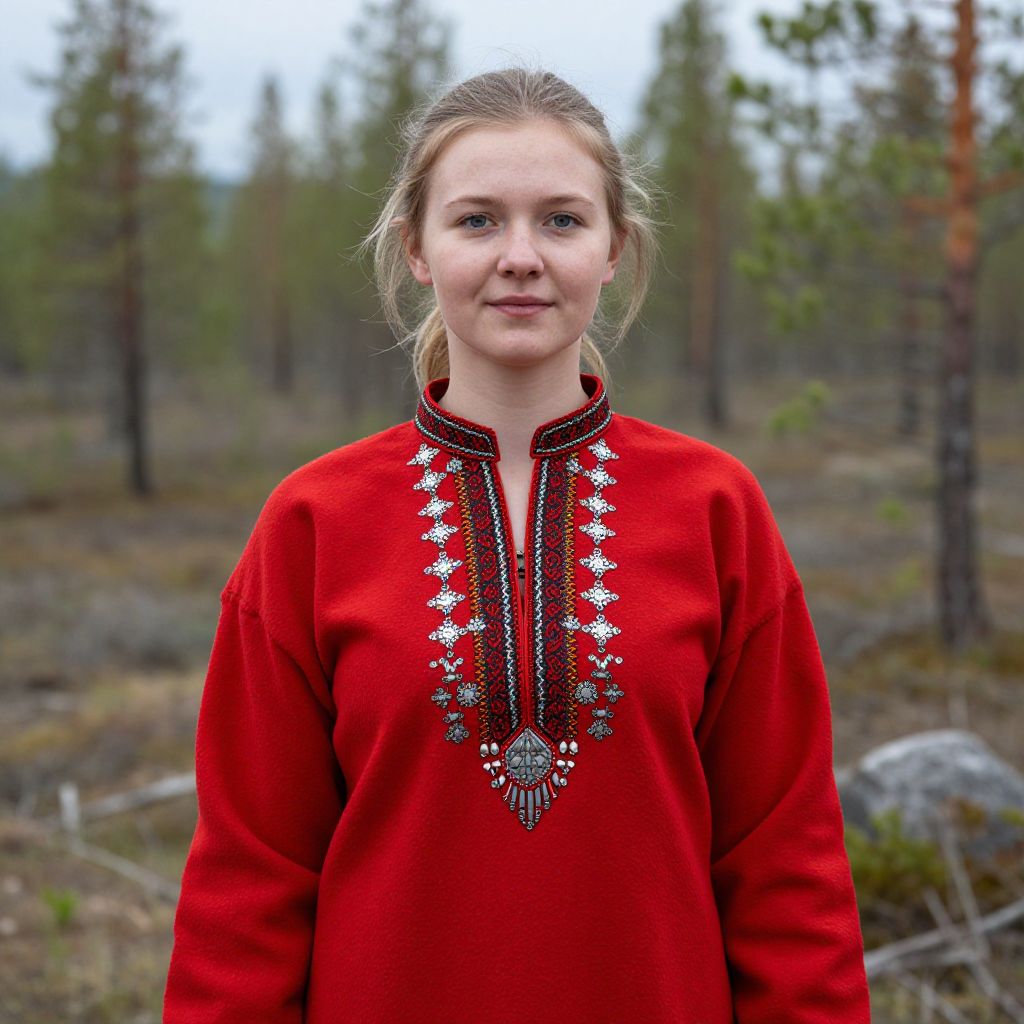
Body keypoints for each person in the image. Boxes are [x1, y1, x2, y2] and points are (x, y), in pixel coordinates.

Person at [163, 67, 871, 1023]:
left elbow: (787, 861)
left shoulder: (715, 510)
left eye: (564, 221)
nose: (522, 257)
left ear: (615, 248)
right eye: (478, 220)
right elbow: (248, 884)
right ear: (417, 249)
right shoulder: (312, 524)